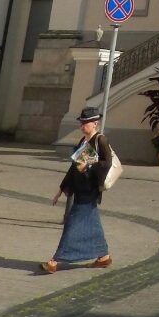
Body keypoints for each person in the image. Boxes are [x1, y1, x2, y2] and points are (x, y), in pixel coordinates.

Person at [41, 105, 114, 273]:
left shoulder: (100, 140)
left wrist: (89, 166)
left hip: (90, 191)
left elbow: (107, 163)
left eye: (85, 123)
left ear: (95, 123)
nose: (82, 126)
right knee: (93, 224)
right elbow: (74, 167)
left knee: (72, 224)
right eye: (81, 123)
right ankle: (104, 257)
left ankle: (54, 261)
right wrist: (62, 188)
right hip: (80, 189)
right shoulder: (83, 141)